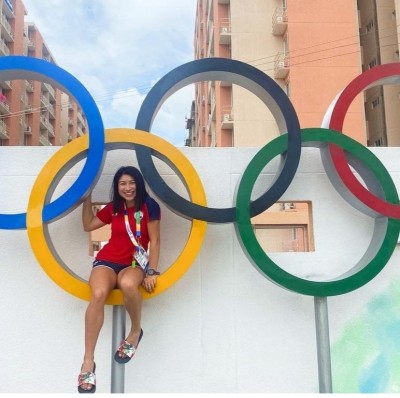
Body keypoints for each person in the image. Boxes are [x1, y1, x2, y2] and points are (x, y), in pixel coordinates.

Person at [77, 166, 161, 393]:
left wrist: (152, 271)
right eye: (122, 184)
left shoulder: (149, 206)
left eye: (131, 183)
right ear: (117, 187)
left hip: (133, 264)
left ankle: (135, 332)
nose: (127, 188)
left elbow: (155, 241)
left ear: (138, 184)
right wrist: (88, 199)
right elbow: (89, 225)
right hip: (107, 261)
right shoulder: (114, 208)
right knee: (98, 294)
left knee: (128, 285)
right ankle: (88, 361)